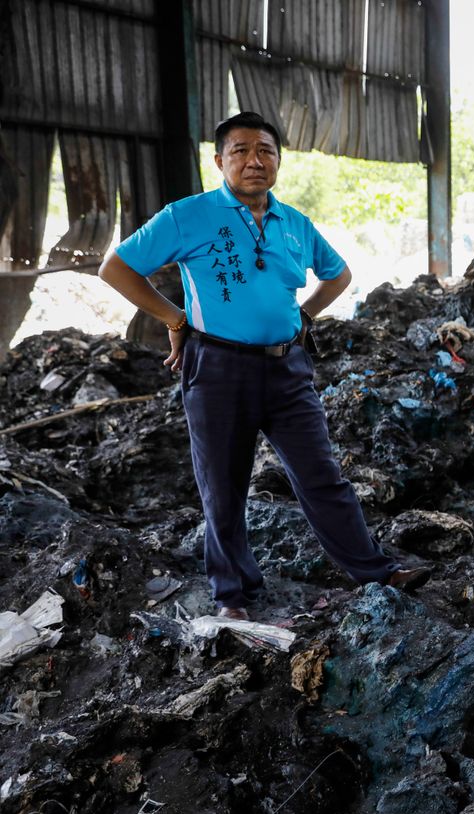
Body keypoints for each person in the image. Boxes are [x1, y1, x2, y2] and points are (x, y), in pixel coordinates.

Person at [98, 111, 424, 621]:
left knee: (322, 476)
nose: (254, 161)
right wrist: (174, 317)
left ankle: (375, 572)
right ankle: (232, 594)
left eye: (265, 151)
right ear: (219, 160)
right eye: (241, 150)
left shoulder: (295, 222)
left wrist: (303, 316)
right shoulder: (187, 216)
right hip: (217, 368)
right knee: (223, 486)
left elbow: (337, 275)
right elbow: (115, 267)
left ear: (278, 159)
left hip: (288, 370)